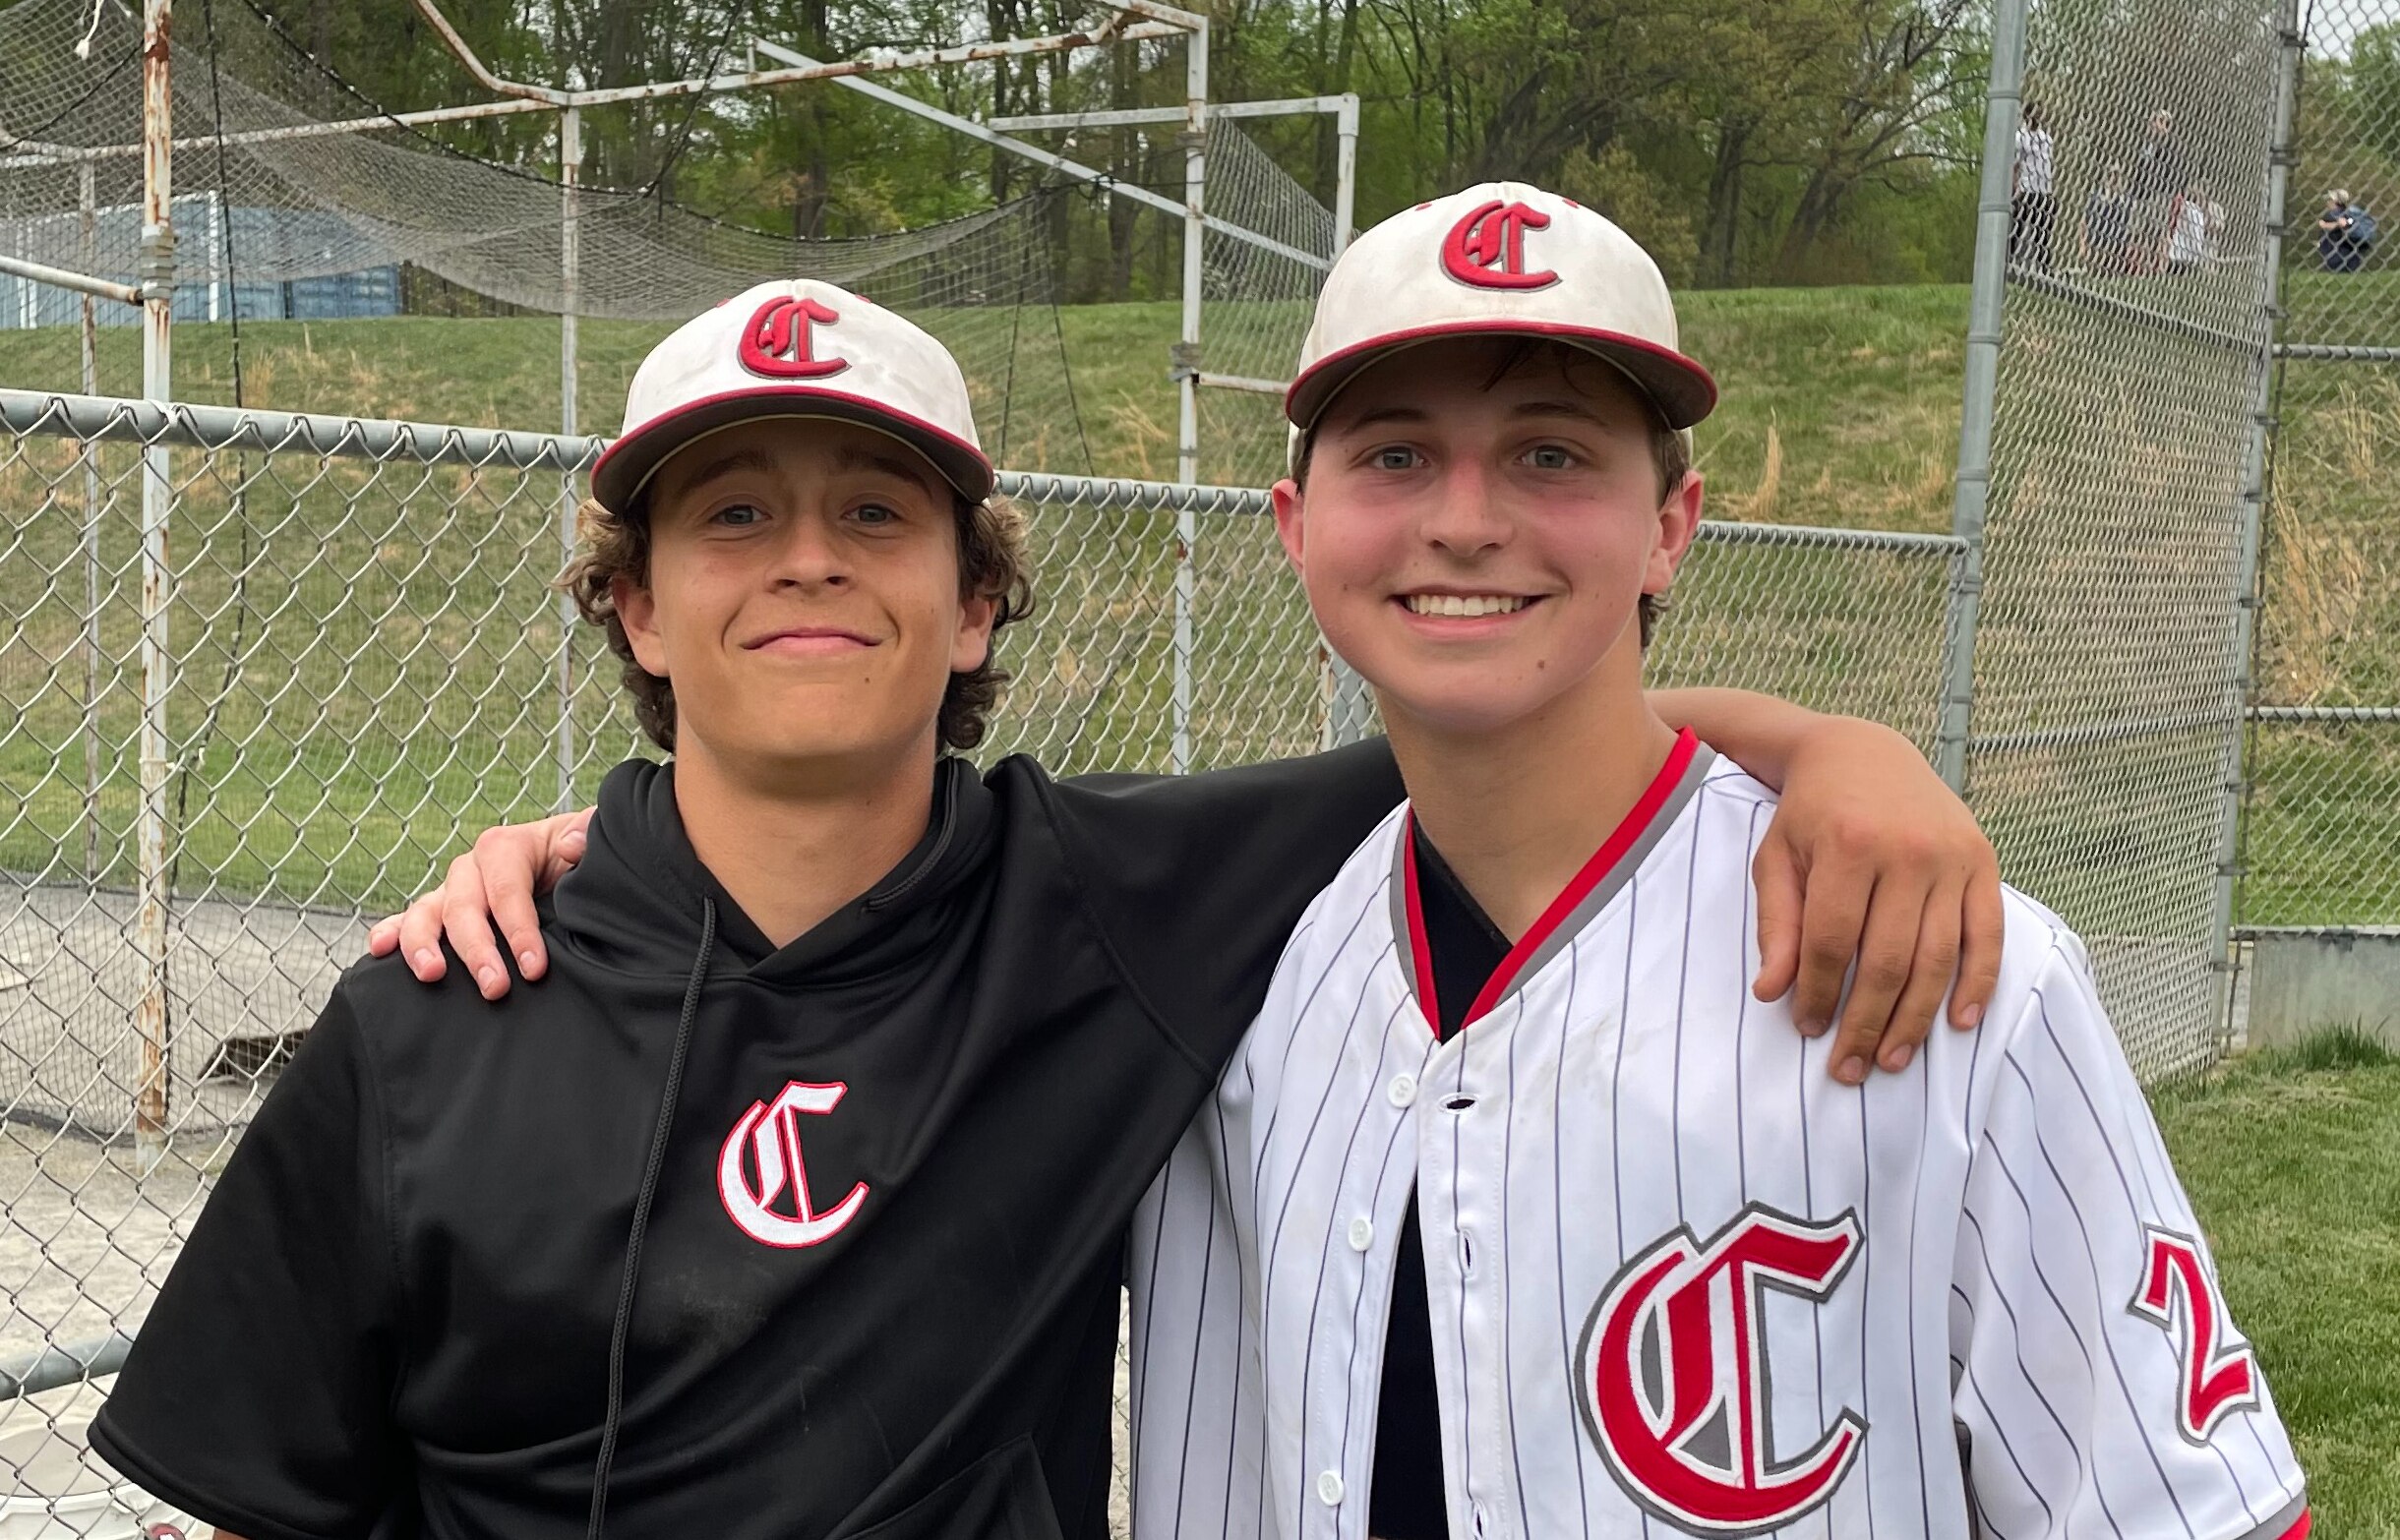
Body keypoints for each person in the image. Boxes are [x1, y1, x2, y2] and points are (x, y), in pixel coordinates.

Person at [91, 276, 2005, 1540]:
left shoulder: (1111, 907)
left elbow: (1520, 733)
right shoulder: (439, 1012)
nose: (808, 558)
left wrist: (1836, 748)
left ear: (977, 602)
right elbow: (263, 1495)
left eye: (876, 512)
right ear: (639, 608)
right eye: (733, 513)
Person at [1125, 182, 2310, 1540]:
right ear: (1295, 524)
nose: (1464, 519)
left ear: (1671, 525)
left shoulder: (1948, 966)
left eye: (1551, 454)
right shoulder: (1216, 962)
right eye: (1394, 454)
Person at [2129, 108, 2188, 274]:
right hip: (2142, 195)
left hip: (2159, 195)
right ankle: (2141, 268)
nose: (2158, 126)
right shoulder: (2144, 145)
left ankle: (2159, 268)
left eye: (2163, 123)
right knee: (2140, 233)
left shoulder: (2169, 148)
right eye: (2157, 121)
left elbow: (2169, 173)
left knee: (2159, 234)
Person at [2010, 101, 2057, 272]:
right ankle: (2009, 260)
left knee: (2043, 231)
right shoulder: (2020, 137)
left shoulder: (2046, 139)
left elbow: (2048, 165)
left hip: (2043, 190)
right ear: (2027, 115)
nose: (2038, 117)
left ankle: (2044, 267)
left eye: (2040, 113)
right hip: (2026, 188)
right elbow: (2015, 165)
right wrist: (2015, 187)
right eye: (2035, 113)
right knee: (2018, 226)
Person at [2079, 161, 2134, 275]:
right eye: (2110, 175)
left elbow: (2129, 226)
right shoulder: (2097, 197)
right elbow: (2085, 221)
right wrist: (2083, 243)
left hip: (2119, 245)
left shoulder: (2126, 199)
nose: (2113, 178)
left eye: (2116, 175)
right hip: (2099, 243)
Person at [2167, 178, 2224, 275]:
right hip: (2191, 241)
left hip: (2208, 240)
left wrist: (2209, 223)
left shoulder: (2214, 207)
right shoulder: (2190, 207)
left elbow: (2220, 226)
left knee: (2207, 264)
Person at [2318, 188, 2374, 272]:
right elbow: (2348, 222)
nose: (2328, 202)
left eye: (2330, 200)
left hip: (2337, 255)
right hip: (2351, 256)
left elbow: (2343, 223)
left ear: (2335, 201)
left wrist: (2326, 225)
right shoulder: (2350, 212)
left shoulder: (2333, 214)